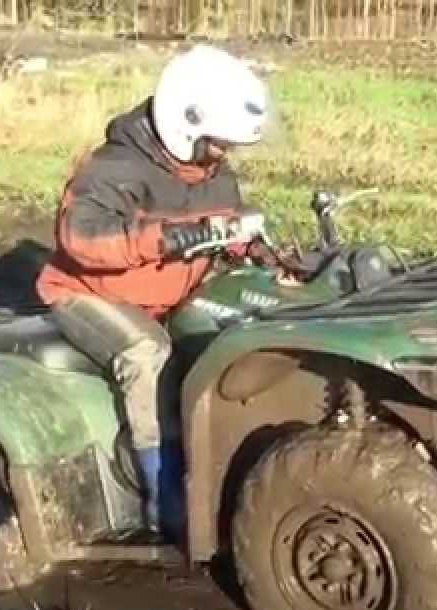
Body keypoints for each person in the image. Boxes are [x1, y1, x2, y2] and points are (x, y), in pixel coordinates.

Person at [34, 44, 274, 544]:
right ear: (185, 125)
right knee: (148, 355)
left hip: (166, 295)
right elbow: (82, 240)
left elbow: (225, 228)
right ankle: (162, 498)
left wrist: (254, 250)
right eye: (217, 143)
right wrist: (163, 239)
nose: (224, 154)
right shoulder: (111, 169)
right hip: (89, 293)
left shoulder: (213, 175)